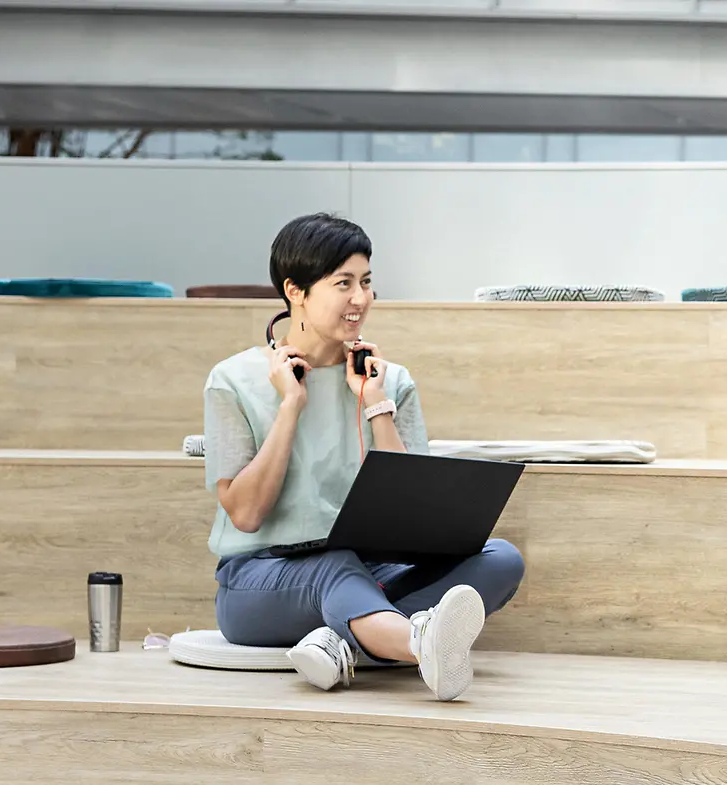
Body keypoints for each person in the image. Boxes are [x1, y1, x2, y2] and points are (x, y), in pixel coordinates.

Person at [202, 212, 524, 699]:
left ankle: (339, 643)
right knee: (335, 569)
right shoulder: (233, 379)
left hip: (371, 571)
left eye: (367, 282)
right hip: (260, 581)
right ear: (295, 291)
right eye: (343, 283)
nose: (360, 299)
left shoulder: (390, 382)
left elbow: (414, 512)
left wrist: (376, 406)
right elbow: (245, 515)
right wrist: (290, 405)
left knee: (501, 559)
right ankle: (420, 644)